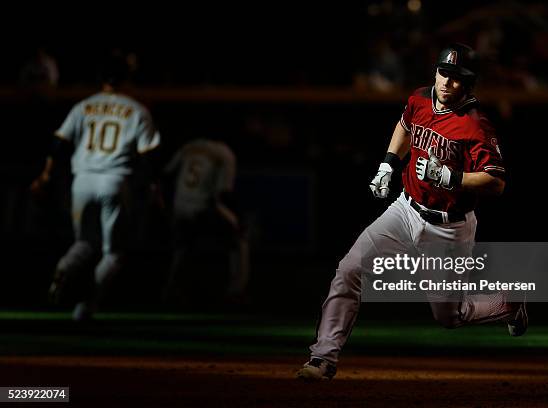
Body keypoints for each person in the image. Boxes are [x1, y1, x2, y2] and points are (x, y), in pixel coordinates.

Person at [296, 43, 527, 381]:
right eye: (443, 73)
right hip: (406, 210)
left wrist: (455, 177)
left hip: (449, 229)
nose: (446, 82)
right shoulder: (420, 98)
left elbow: (497, 182)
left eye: (456, 77)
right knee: (348, 270)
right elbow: (405, 125)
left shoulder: (476, 124)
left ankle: (507, 304)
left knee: (449, 316)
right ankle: (323, 358)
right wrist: (388, 164)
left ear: (469, 83)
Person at [30, 54, 161, 321]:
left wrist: (45, 176)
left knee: (85, 242)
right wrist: (151, 187)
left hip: (82, 181)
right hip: (114, 180)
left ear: (100, 78)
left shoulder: (83, 106)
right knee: (113, 253)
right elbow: (148, 156)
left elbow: (58, 144)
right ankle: (86, 307)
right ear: (127, 78)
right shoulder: (137, 109)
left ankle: (64, 267)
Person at [162, 137, 249, 306]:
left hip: (180, 206)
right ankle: (236, 291)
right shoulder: (224, 153)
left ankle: (170, 289)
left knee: (182, 248)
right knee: (240, 238)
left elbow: (166, 174)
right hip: (204, 207)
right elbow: (223, 194)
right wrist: (238, 217)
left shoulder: (189, 145)